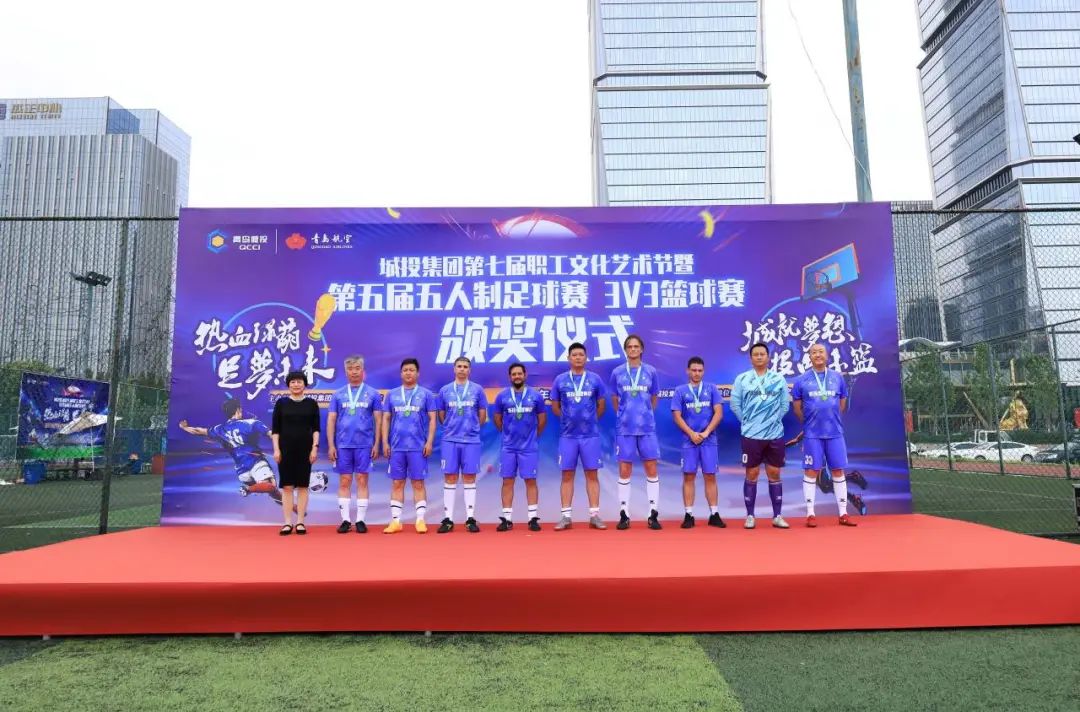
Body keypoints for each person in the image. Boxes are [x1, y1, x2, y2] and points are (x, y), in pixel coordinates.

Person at [791, 343, 857, 527]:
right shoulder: (801, 380)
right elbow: (797, 408)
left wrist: (830, 419)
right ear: (810, 357)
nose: (818, 355)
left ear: (827, 355)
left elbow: (842, 404)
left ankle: (843, 513)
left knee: (838, 470)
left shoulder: (837, 378)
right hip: (812, 434)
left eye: (821, 352)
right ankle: (810, 514)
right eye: (814, 352)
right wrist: (810, 423)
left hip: (835, 433)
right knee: (811, 471)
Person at [729, 343, 790, 530]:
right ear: (750, 358)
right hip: (751, 435)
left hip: (774, 434)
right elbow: (735, 404)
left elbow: (784, 405)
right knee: (752, 473)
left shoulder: (778, 378)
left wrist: (771, 421)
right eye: (755, 354)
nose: (759, 357)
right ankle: (750, 516)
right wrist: (748, 422)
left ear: (768, 357)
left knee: (774, 473)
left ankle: (777, 516)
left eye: (762, 354)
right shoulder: (742, 379)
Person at [549, 342, 608, 530]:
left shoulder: (595, 379)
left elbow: (601, 404)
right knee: (567, 475)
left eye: (581, 354)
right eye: (574, 355)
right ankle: (566, 516)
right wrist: (567, 420)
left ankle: (594, 516)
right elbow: (555, 406)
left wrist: (590, 420)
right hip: (568, 436)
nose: (578, 358)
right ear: (568, 358)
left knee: (592, 474)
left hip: (590, 436)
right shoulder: (560, 380)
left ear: (586, 358)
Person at [179, 399, 282, 506]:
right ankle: (247, 489)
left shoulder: (219, 429)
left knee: (274, 493)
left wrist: (185, 428)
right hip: (255, 462)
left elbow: (198, 431)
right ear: (238, 410)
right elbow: (272, 434)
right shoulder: (251, 423)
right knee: (270, 486)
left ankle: (292, 509)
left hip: (242, 472)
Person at [609, 334, 662, 530]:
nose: (633, 349)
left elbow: (654, 397)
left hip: (647, 428)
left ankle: (653, 513)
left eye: (636, 346)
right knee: (625, 470)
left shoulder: (651, 371)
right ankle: (624, 513)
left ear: (641, 349)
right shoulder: (617, 372)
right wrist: (625, 415)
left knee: (651, 469)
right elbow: (615, 398)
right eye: (629, 346)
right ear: (625, 350)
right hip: (625, 429)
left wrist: (644, 414)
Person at [326, 354, 382, 534]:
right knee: (345, 480)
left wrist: (377, 444)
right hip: (343, 445)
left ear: (362, 370)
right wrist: (331, 445)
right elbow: (331, 420)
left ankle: (360, 520)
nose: (354, 372)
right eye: (350, 369)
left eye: (357, 368)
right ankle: (345, 520)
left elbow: (379, 420)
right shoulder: (338, 394)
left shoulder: (373, 394)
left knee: (362, 480)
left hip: (365, 445)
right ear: (346, 372)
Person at [381, 358, 436, 534]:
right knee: (397, 483)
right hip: (396, 447)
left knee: (418, 483)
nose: (408, 373)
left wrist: (429, 441)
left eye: (411, 370)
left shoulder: (426, 394)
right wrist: (385, 442)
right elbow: (386, 419)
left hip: (418, 447)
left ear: (417, 373)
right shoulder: (392, 394)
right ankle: (396, 521)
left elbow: (432, 419)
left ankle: (420, 520)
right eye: (405, 370)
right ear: (401, 373)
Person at [436, 356, 489, 534]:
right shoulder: (444, 390)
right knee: (450, 477)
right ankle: (448, 519)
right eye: (459, 366)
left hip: (471, 440)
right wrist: (450, 429)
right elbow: (441, 415)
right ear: (454, 369)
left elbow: (482, 414)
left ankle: (470, 518)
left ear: (469, 370)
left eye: (465, 367)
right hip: (450, 440)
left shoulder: (477, 390)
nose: (462, 369)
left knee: (469, 477)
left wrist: (473, 429)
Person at [671, 356, 725, 528]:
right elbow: (676, 416)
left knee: (710, 475)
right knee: (689, 476)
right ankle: (688, 515)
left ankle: (714, 514)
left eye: (700, 370)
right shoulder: (680, 391)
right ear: (688, 371)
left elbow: (718, 413)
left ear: (704, 371)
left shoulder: (712, 388)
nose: (696, 373)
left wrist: (706, 432)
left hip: (709, 440)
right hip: (689, 440)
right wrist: (691, 433)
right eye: (693, 370)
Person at [492, 362, 547, 531]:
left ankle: (532, 518)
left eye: (519, 374)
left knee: (530, 480)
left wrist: (532, 437)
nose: (517, 376)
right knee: (507, 480)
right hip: (508, 447)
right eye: (514, 374)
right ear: (510, 377)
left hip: (529, 447)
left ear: (525, 375)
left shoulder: (536, 396)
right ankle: (507, 519)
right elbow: (497, 419)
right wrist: (507, 435)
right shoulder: (502, 396)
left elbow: (542, 420)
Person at [271, 371, 321, 535]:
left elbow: (316, 429)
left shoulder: (311, 404)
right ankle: (287, 522)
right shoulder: (281, 403)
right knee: (287, 486)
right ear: (288, 385)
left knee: (303, 486)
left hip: (305, 450)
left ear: (304, 384)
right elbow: (275, 430)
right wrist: (276, 449)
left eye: (299, 381)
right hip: (285, 450)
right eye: (293, 382)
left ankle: (300, 522)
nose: (296, 384)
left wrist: (314, 447)